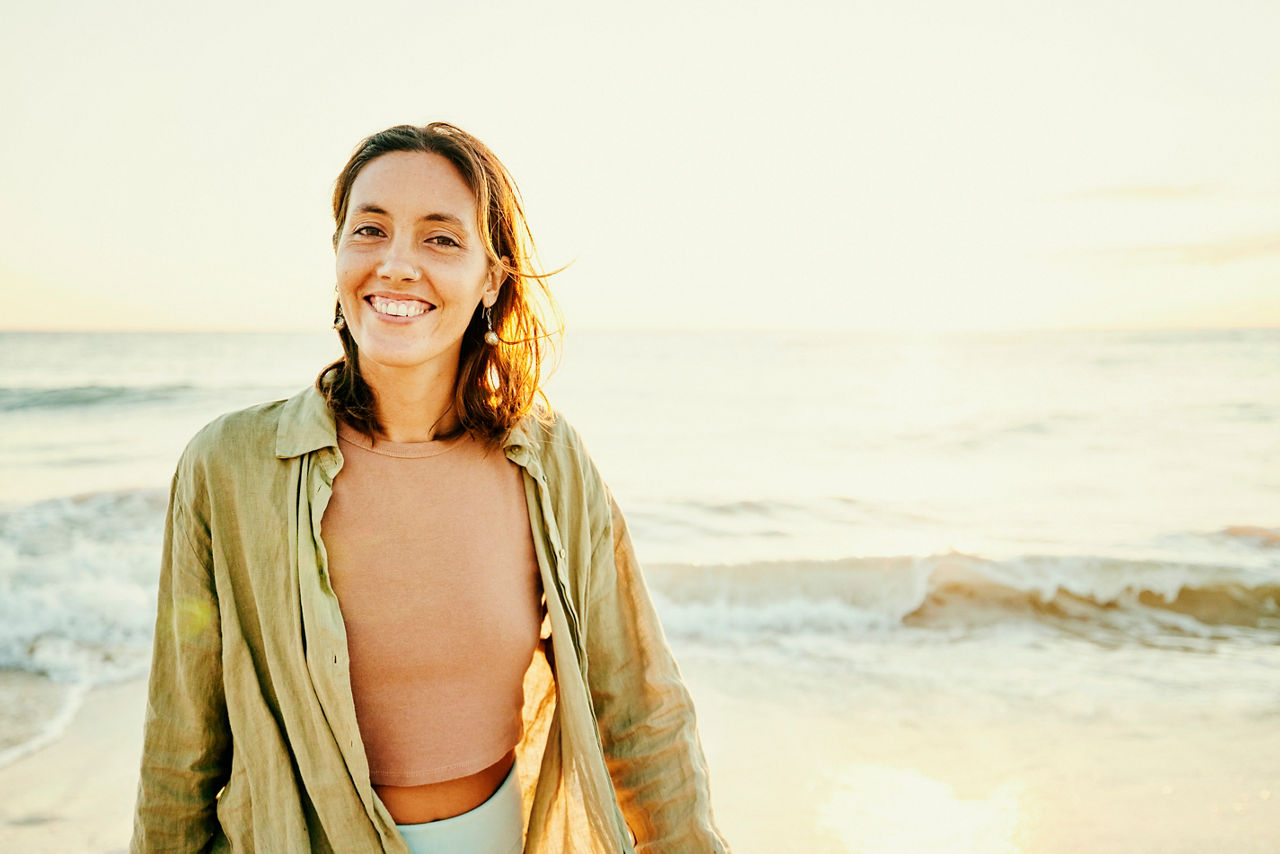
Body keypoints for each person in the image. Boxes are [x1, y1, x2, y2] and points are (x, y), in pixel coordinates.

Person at [130, 122, 729, 853]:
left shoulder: (548, 462)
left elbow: (640, 708)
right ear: (339, 254)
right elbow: (181, 743)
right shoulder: (228, 467)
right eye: (370, 230)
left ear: (490, 279)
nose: (397, 265)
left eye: (441, 239)